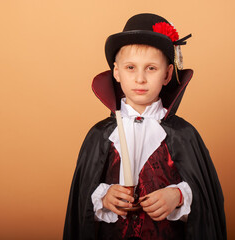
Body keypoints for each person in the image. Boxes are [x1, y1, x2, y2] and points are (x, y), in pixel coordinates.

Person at [63, 13, 226, 240]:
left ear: (167, 74)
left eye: (151, 68)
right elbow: (81, 200)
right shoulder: (100, 136)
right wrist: (103, 196)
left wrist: (178, 196)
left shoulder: (184, 135)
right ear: (116, 72)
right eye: (130, 68)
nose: (140, 79)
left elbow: (207, 198)